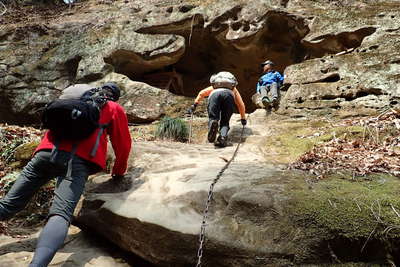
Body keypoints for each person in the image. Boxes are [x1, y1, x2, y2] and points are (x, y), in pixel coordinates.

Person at [0, 82, 132, 267]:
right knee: (60, 215)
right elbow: (123, 145)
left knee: (8, 204)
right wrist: (118, 171)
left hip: (43, 155)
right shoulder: (113, 108)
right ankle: (37, 265)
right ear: (115, 97)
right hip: (76, 162)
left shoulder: (74, 97)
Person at [187, 71, 246, 147]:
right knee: (225, 121)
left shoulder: (214, 87)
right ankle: (222, 137)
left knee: (213, 117)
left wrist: (195, 105)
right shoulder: (233, 89)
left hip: (214, 95)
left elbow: (201, 93)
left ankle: (213, 122)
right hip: (229, 96)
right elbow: (241, 104)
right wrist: (243, 118)